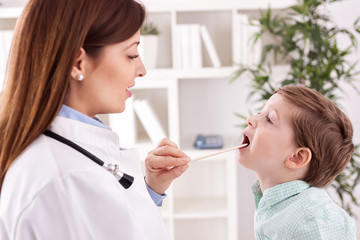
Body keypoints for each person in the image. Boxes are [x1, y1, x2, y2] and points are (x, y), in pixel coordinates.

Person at [0, 0, 190, 239]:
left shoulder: (69, 156)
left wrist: (150, 189)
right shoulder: (64, 183)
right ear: (78, 63)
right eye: (131, 54)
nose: (142, 69)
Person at [237, 85, 357, 239]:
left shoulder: (313, 222)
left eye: (269, 119)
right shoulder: (273, 204)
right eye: (260, 112)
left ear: (297, 157)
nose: (251, 119)